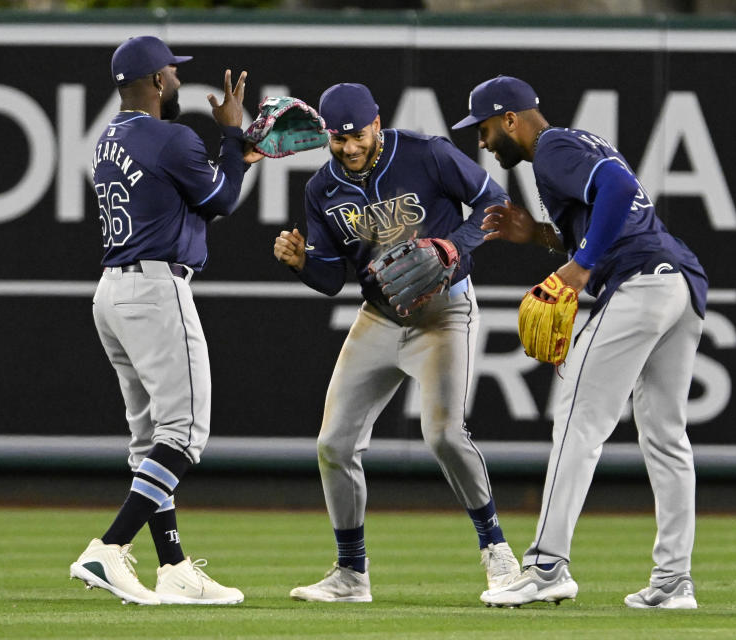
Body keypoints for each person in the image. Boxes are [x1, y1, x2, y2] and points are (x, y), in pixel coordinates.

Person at [452, 76, 706, 609]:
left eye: (485, 128)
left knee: (576, 416)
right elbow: (611, 204)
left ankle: (546, 566)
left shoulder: (552, 148)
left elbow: (613, 186)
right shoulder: (577, 143)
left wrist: (580, 267)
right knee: (665, 433)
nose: (482, 140)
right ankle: (674, 580)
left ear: (511, 120)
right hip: (679, 283)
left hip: (640, 282)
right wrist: (545, 238)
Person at [274, 82, 521, 603]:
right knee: (334, 444)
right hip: (380, 317)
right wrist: (301, 264)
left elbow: (494, 205)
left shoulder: (426, 154)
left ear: (377, 123)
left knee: (445, 436)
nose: (349, 147)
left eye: (357, 135)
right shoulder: (323, 188)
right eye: (338, 140)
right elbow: (331, 278)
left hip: (444, 312)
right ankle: (350, 574)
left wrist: (453, 245)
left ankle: (497, 550)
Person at [69, 35, 262, 606]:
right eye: (173, 73)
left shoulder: (110, 136)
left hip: (113, 293)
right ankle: (109, 548)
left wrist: (236, 151)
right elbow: (221, 200)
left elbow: (200, 192)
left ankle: (174, 565)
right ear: (155, 82)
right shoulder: (170, 136)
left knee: (150, 437)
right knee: (184, 434)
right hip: (155, 290)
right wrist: (232, 134)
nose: (177, 80)